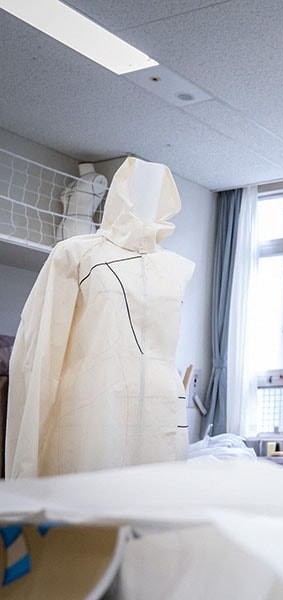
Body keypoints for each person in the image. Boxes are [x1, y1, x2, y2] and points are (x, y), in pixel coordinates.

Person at [6, 157, 194, 478]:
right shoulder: (77, 253)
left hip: (160, 415)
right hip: (92, 413)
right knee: (90, 513)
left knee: (151, 515)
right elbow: (41, 354)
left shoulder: (178, 267)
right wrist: (25, 466)